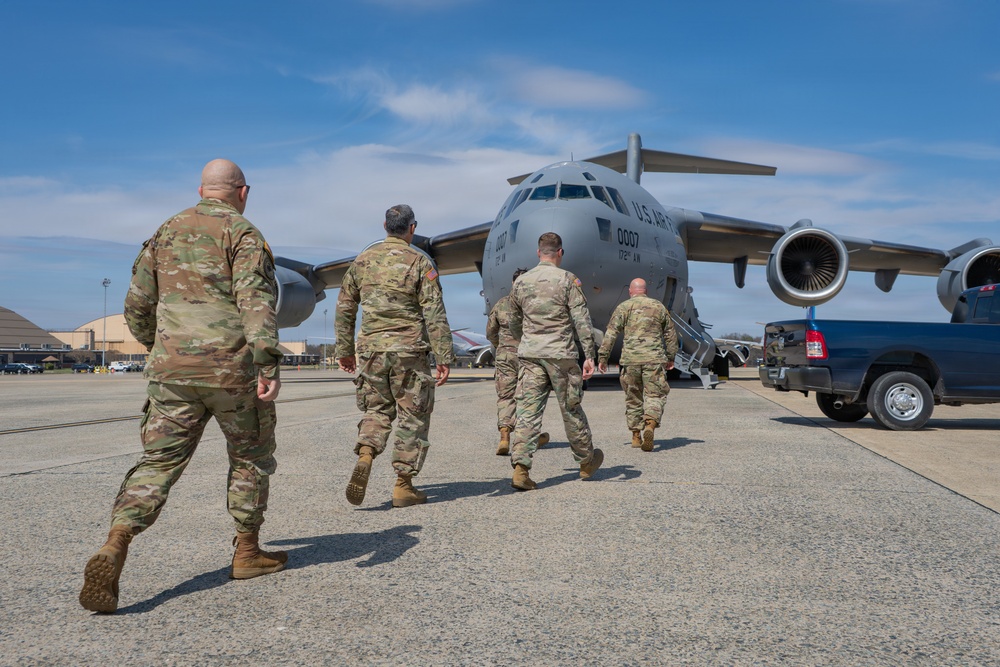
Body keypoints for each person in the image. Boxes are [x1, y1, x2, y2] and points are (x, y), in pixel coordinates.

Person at [79, 159, 287, 614]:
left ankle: (117, 540)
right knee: (250, 458)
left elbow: (138, 302)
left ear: (200, 190)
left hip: (172, 371)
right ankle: (247, 553)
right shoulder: (244, 233)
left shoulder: (165, 232)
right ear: (243, 192)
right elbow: (256, 301)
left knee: (159, 461)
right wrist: (267, 363)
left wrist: (162, 348)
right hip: (232, 372)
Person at [336, 204, 454, 508]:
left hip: (372, 351)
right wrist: (443, 355)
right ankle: (403, 485)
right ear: (412, 228)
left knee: (376, 410)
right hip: (409, 351)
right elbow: (434, 312)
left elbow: (345, 307)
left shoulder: (362, 262)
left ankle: (366, 452)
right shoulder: (419, 262)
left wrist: (344, 351)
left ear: (385, 226)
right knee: (412, 416)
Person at [507, 232, 604, 491]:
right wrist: (589, 355)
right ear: (560, 252)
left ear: (538, 252)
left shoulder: (522, 282)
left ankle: (521, 468)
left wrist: (526, 341)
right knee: (570, 408)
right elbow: (581, 321)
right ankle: (586, 461)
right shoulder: (567, 280)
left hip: (530, 355)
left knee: (528, 411)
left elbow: (513, 320)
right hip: (561, 354)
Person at [597, 278, 679, 451]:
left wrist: (603, 358)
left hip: (630, 360)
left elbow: (611, 334)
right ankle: (650, 424)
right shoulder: (658, 307)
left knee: (633, 397)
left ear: (630, 291)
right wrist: (671, 356)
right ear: (646, 291)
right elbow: (671, 334)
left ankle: (636, 435)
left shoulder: (624, 307)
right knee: (655, 395)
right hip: (654, 359)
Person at [485, 268, 548, 456]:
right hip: (527, 356)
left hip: (505, 356)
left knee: (505, 396)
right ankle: (528, 438)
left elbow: (490, 332)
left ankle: (505, 435)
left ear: (513, 284)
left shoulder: (501, 304)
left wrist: (501, 346)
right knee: (528, 398)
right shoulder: (534, 305)